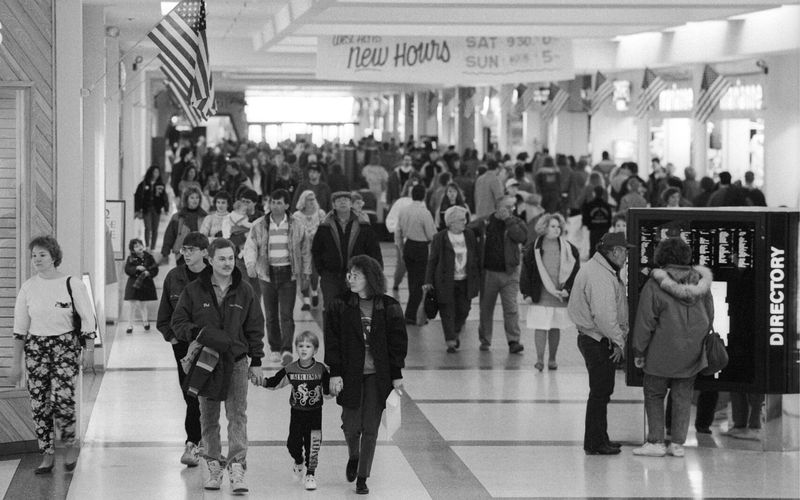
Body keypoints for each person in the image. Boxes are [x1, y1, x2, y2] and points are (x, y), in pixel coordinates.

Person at [171, 238, 265, 493]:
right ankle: (213, 465)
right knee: (208, 417)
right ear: (210, 260)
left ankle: (237, 468)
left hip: (236, 363)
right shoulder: (193, 290)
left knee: (237, 416)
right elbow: (178, 322)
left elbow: (255, 327)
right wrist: (201, 333)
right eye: (221, 258)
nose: (227, 263)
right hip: (206, 364)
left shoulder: (245, 290)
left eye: (231, 258)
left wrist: (256, 361)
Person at [10, 236, 96, 473]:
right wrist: (15, 363)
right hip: (36, 349)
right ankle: (46, 454)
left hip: (65, 346)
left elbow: (88, 319)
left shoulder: (72, 283)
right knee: (39, 403)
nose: (37, 259)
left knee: (63, 399)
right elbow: (20, 329)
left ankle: (69, 447)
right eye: (34, 255)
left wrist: (88, 350)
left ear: (54, 257)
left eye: (42, 255)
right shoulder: (28, 287)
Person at [325, 255, 408, 495]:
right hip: (349, 374)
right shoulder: (339, 304)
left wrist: (397, 374)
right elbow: (332, 342)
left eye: (357, 275)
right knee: (351, 426)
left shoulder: (388, 305)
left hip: (377, 376)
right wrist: (335, 373)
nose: (350, 279)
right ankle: (354, 455)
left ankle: (363, 477)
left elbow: (397, 343)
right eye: (349, 274)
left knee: (370, 428)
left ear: (369, 277)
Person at [631, 237, 714, 458]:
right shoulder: (700, 284)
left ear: (662, 256)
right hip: (692, 351)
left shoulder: (654, 284)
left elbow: (645, 321)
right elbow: (710, 316)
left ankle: (656, 442)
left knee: (654, 393)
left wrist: (639, 351)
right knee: (683, 396)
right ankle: (677, 444)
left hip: (660, 351)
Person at [567, 231, 634, 455]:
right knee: (599, 392)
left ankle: (600, 438)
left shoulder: (601, 269)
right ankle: (594, 443)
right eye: (624, 251)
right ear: (614, 252)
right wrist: (619, 342)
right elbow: (605, 316)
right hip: (596, 340)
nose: (626, 256)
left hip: (597, 337)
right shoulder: (600, 275)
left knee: (602, 391)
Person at [156, 232, 210, 468]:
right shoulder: (174, 276)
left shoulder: (215, 275)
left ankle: (203, 440)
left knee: (209, 394)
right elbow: (164, 315)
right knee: (190, 393)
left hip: (211, 345)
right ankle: (194, 440)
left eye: (191, 250)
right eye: (184, 250)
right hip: (183, 346)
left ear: (204, 252)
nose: (186, 254)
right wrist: (173, 339)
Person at [257, 331, 330, 491]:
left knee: (314, 445)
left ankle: (310, 474)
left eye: (308, 346)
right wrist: (261, 381)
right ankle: (298, 460)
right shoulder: (290, 369)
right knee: (293, 444)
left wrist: (336, 389)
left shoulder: (320, 369)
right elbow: (275, 382)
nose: (304, 349)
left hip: (315, 414)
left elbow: (327, 391)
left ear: (315, 350)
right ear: (296, 348)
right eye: (301, 346)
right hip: (297, 414)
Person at [244, 189, 309, 366]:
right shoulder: (260, 224)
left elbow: (305, 250)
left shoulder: (297, 224)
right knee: (271, 314)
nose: (275, 205)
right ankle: (274, 348)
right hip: (267, 274)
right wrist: (250, 264)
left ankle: (287, 349)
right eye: (273, 202)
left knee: (286, 314)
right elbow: (250, 245)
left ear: (287, 205)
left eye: (280, 202)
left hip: (288, 274)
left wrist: (306, 273)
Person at [520, 213, 580, 371]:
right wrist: (526, 293)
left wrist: (568, 290)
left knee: (555, 327)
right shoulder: (533, 248)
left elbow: (575, 272)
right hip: (539, 295)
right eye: (553, 226)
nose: (557, 229)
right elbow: (526, 272)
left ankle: (552, 358)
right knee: (540, 327)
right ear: (544, 228)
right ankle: (539, 360)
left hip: (559, 296)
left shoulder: (570, 249)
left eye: (558, 226)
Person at [470, 196, 528, 353]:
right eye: (506, 207)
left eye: (512, 207)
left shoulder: (516, 222)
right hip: (489, 273)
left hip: (510, 273)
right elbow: (468, 230)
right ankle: (485, 340)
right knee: (486, 308)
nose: (510, 210)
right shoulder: (485, 222)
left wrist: (509, 220)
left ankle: (514, 341)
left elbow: (521, 237)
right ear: (497, 207)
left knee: (511, 308)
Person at [311, 191, 383, 312]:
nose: (343, 202)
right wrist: (322, 271)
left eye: (346, 199)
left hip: (356, 275)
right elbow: (316, 250)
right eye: (339, 200)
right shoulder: (325, 226)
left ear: (351, 204)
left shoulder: (363, 225)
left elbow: (374, 250)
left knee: (354, 312)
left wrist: (377, 274)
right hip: (330, 276)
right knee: (331, 310)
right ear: (333, 205)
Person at [424, 206, 480, 352]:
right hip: (445, 281)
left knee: (464, 309)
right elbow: (432, 260)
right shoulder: (440, 238)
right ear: (452, 222)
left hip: (465, 280)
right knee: (447, 310)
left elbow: (475, 256)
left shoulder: (469, 235)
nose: (465, 222)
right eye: (462, 219)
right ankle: (450, 340)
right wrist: (428, 281)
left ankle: (454, 332)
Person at [395, 184, 437, 324]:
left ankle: (412, 314)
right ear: (424, 195)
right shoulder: (425, 212)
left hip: (408, 246)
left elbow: (398, 231)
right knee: (419, 282)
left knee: (412, 280)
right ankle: (411, 315)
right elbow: (431, 235)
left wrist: (401, 249)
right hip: (420, 248)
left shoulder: (404, 210)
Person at [293, 190, 327, 311]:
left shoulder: (320, 213)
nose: (312, 201)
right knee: (304, 274)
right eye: (309, 199)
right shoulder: (297, 215)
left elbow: (325, 229)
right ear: (303, 201)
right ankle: (306, 300)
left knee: (314, 273)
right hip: (302, 250)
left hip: (317, 249)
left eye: (313, 199)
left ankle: (314, 290)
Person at [161, 186, 207, 264]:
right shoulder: (177, 217)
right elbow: (169, 235)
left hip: (200, 253)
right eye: (192, 197)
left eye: (197, 197)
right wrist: (165, 252)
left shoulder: (205, 217)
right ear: (186, 199)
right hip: (182, 254)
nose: (195, 200)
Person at [122, 238, 159, 334]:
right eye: (136, 246)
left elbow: (155, 269)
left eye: (140, 245)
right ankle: (130, 325)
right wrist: (136, 268)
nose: (139, 247)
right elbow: (127, 269)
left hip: (145, 284)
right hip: (134, 284)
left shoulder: (149, 257)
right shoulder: (130, 258)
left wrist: (149, 273)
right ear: (132, 249)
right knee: (132, 306)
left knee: (143, 305)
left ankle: (145, 322)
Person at [134, 165, 169, 251]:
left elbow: (164, 197)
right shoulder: (144, 184)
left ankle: (153, 247)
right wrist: (137, 209)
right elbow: (138, 196)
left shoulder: (160, 185)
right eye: (154, 172)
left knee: (155, 228)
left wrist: (166, 208)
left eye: (157, 172)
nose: (156, 174)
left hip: (156, 209)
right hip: (146, 209)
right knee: (148, 227)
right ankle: (147, 245)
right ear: (150, 172)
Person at [582, 186, 613, 256]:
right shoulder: (607, 206)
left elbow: (585, 219)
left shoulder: (589, 205)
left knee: (593, 248)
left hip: (593, 230)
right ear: (602, 194)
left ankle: (593, 264)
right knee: (604, 249)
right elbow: (610, 220)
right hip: (604, 230)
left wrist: (590, 226)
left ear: (594, 193)